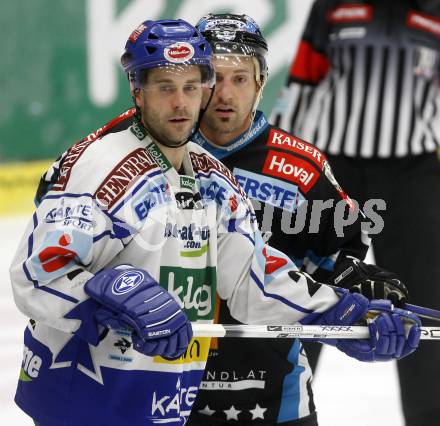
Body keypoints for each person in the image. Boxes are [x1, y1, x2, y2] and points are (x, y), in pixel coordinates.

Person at [37, 14, 421, 426]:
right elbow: (53, 248)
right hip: (151, 385)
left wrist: (364, 294)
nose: (224, 93)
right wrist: (104, 291)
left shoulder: (300, 169)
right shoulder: (121, 151)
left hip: (270, 394)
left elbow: (335, 258)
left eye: (240, 78)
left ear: (260, 84)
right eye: (214, 78)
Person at [271, 1, 440, 425]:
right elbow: (304, 80)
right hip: (335, 171)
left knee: (424, 299)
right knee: (310, 289)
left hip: (412, 173)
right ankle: (280, 408)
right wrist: (274, 158)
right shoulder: (333, 4)